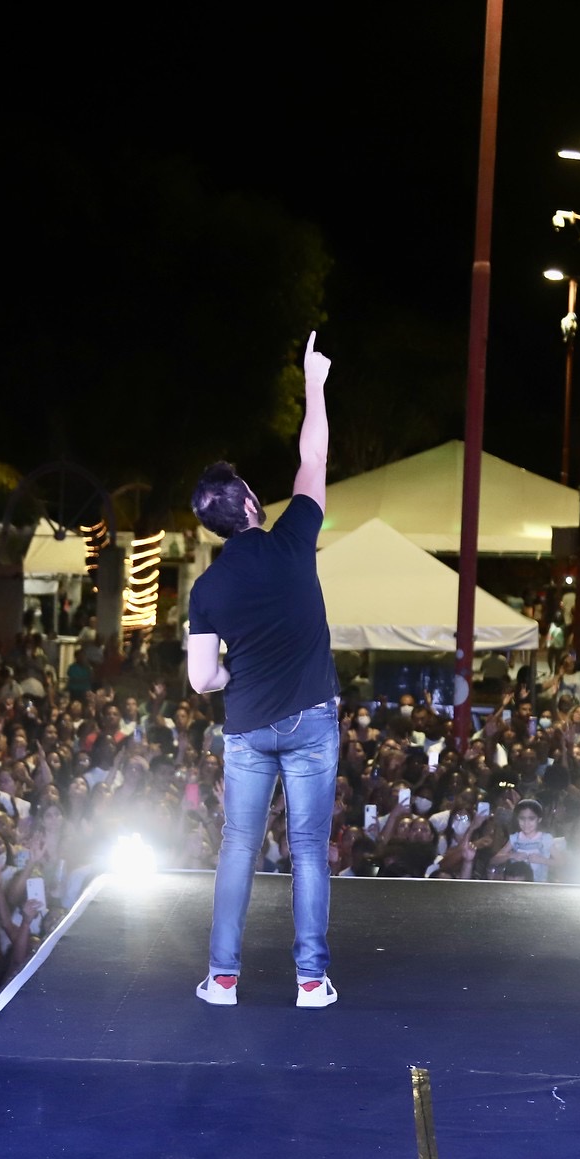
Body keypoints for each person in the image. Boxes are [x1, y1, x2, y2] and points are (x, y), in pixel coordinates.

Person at [185, 331, 339, 1009]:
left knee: (238, 849)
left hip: (247, 728)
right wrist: (314, 381)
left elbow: (201, 681)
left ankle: (223, 978)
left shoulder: (207, 589)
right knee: (308, 848)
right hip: (311, 720)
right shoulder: (294, 536)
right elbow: (314, 453)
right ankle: (311, 980)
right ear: (248, 504)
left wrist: (229, 679)